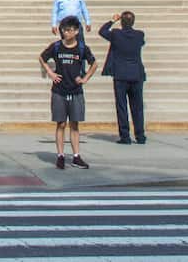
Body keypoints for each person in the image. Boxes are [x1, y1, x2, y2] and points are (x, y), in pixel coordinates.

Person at [40, 15, 97, 170]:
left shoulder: (82, 48)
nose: (67, 33)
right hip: (59, 90)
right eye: (65, 30)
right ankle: (60, 155)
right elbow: (42, 57)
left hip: (76, 90)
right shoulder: (57, 46)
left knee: (75, 124)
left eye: (70, 30)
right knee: (61, 123)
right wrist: (50, 73)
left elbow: (94, 63)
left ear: (77, 31)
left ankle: (76, 156)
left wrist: (85, 79)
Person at [99, 10, 147, 144]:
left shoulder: (116, 34)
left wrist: (112, 20)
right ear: (133, 22)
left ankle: (125, 136)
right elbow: (142, 43)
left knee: (122, 106)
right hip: (136, 74)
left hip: (120, 74)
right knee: (137, 107)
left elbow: (102, 31)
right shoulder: (139, 35)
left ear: (121, 22)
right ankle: (140, 135)